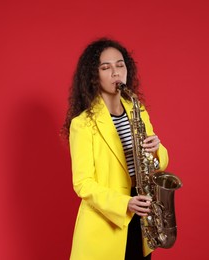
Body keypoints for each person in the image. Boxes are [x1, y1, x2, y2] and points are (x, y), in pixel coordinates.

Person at [61, 38, 169, 260]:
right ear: (94, 75)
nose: (115, 72)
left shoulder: (137, 110)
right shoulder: (82, 124)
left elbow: (158, 163)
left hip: (143, 216)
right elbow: (83, 183)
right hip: (106, 222)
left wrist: (156, 150)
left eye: (120, 65)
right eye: (105, 67)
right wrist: (125, 203)